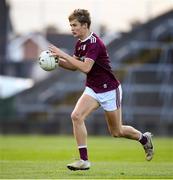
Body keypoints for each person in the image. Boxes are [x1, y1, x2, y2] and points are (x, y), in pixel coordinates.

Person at [49, 9, 154, 171]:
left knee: (117, 131)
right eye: (70, 25)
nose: (72, 28)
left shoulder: (95, 44)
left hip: (110, 90)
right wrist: (55, 61)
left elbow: (85, 67)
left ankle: (144, 139)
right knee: (76, 116)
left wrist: (63, 54)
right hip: (92, 88)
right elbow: (73, 66)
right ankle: (84, 160)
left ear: (85, 25)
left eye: (74, 25)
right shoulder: (79, 44)